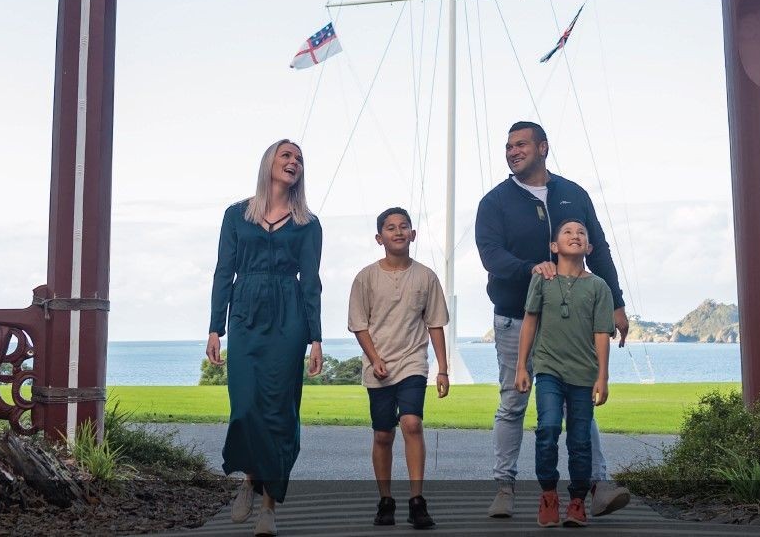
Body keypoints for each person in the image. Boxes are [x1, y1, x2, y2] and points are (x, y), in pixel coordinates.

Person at [475, 121, 630, 519]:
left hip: (572, 324)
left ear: (543, 147)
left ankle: (597, 486)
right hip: (516, 318)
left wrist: (616, 302)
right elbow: (491, 256)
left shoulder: (573, 194)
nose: (512, 151)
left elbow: (600, 249)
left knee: (578, 405)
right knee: (513, 403)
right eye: (508, 146)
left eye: (520, 144)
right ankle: (504, 488)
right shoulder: (495, 202)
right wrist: (534, 269)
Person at [206, 140, 323, 537]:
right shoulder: (236, 215)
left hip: (289, 315)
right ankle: (250, 477)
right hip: (245, 312)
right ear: (269, 162)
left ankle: (269, 504)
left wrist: (316, 338)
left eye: (299, 159)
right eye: (286, 155)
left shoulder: (308, 223)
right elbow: (223, 272)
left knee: (279, 410)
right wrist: (215, 328)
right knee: (245, 407)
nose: (294, 162)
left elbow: (311, 283)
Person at [347, 207, 450, 530]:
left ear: (413, 234)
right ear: (380, 238)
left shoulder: (426, 277)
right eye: (390, 228)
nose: (398, 231)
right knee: (382, 434)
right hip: (378, 367)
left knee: (411, 423)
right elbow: (359, 324)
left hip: (412, 364)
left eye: (404, 226)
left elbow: (435, 325)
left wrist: (443, 370)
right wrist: (375, 358)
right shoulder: (365, 277)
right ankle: (386, 500)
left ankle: (417, 501)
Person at [516, 219, 615, 528]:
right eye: (568, 232)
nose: (576, 236)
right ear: (553, 246)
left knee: (581, 440)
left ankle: (576, 500)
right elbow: (530, 322)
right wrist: (522, 366)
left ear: (589, 247)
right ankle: (548, 494)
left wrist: (603, 377)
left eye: (581, 233)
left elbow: (601, 333)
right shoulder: (541, 279)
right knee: (547, 430)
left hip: (584, 375)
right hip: (548, 369)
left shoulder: (599, 286)